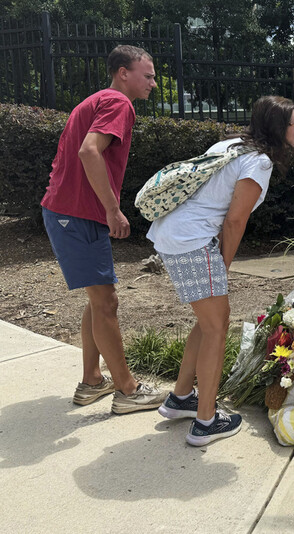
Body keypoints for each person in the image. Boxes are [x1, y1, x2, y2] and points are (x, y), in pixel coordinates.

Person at [147, 95, 294, 446]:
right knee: (217, 327)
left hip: (175, 234)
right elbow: (235, 220)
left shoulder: (231, 144)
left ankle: (181, 398)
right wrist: (223, 265)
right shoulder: (259, 161)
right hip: (194, 241)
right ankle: (205, 422)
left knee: (208, 322)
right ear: (280, 127)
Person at [41, 45, 168, 414]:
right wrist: (113, 209)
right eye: (148, 76)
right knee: (107, 302)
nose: (154, 84)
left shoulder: (99, 99)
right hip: (77, 213)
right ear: (123, 73)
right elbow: (89, 151)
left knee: (98, 301)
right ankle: (128, 391)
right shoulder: (118, 102)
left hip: (71, 212)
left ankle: (92, 381)